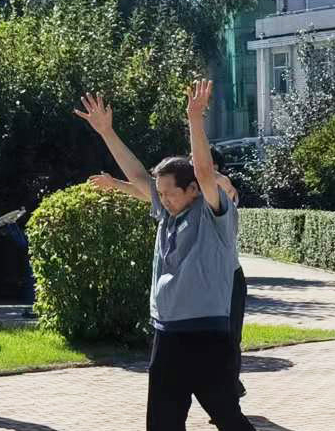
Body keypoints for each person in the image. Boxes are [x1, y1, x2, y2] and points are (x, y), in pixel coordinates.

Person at [76, 81, 285, 431]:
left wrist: (195, 120)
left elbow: (205, 171)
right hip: (167, 334)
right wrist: (107, 132)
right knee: (162, 423)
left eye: (171, 192)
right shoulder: (167, 212)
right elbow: (137, 176)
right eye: (162, 193)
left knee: (227, 418)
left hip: (206, 337)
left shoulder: (214, 215)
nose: (163, 198)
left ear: (192, 190)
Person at [92, 170, 248, 400]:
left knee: (228, 340)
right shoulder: (179, 204)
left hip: (228, 279)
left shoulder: (220, 195)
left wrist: (210, 174)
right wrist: (115, 183)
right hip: (197, 289)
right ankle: (216, 391)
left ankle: (228, 389)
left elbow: (215, 180)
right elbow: (147, 190)